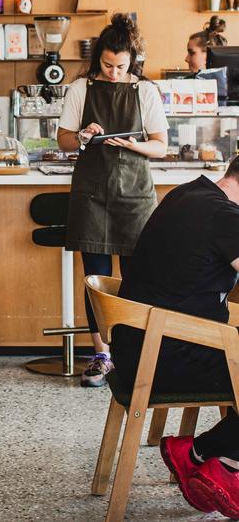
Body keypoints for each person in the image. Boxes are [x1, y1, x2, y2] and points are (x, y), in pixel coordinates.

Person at [110, 160, 239, 518]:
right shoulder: (225, 217)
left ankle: (203, 454)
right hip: (166, 355)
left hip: (141, 344)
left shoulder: (188, 193)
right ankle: (223, 463)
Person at [57, 13, 168, 387]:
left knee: (137, 278)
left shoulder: (145, 92)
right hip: (92, 195)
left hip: (135, 195)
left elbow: (161, 146)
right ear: (97, 60)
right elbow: (63, 141)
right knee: (97, 279)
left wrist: (137, 145)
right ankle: (101, 355)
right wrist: (84, 136)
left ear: (132, 60)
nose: (115, 72)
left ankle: (134, 354)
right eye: (108, 64)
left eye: (122, 65)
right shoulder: (81, 90)